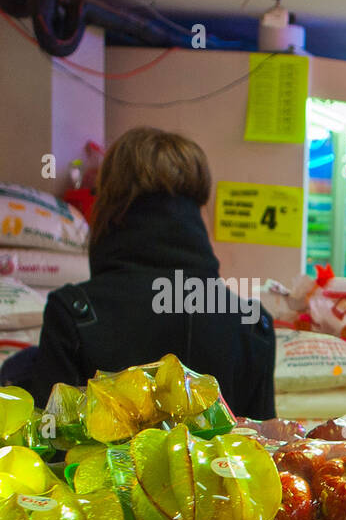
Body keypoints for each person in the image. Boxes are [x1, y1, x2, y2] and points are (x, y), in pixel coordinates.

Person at [2, 127, 276, 419]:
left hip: (93, 466)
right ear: (199, 212)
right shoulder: (252, 324)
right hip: (221, 467)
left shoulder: (73, 313)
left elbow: (50, 452)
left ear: (108, 205)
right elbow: (263, 450)